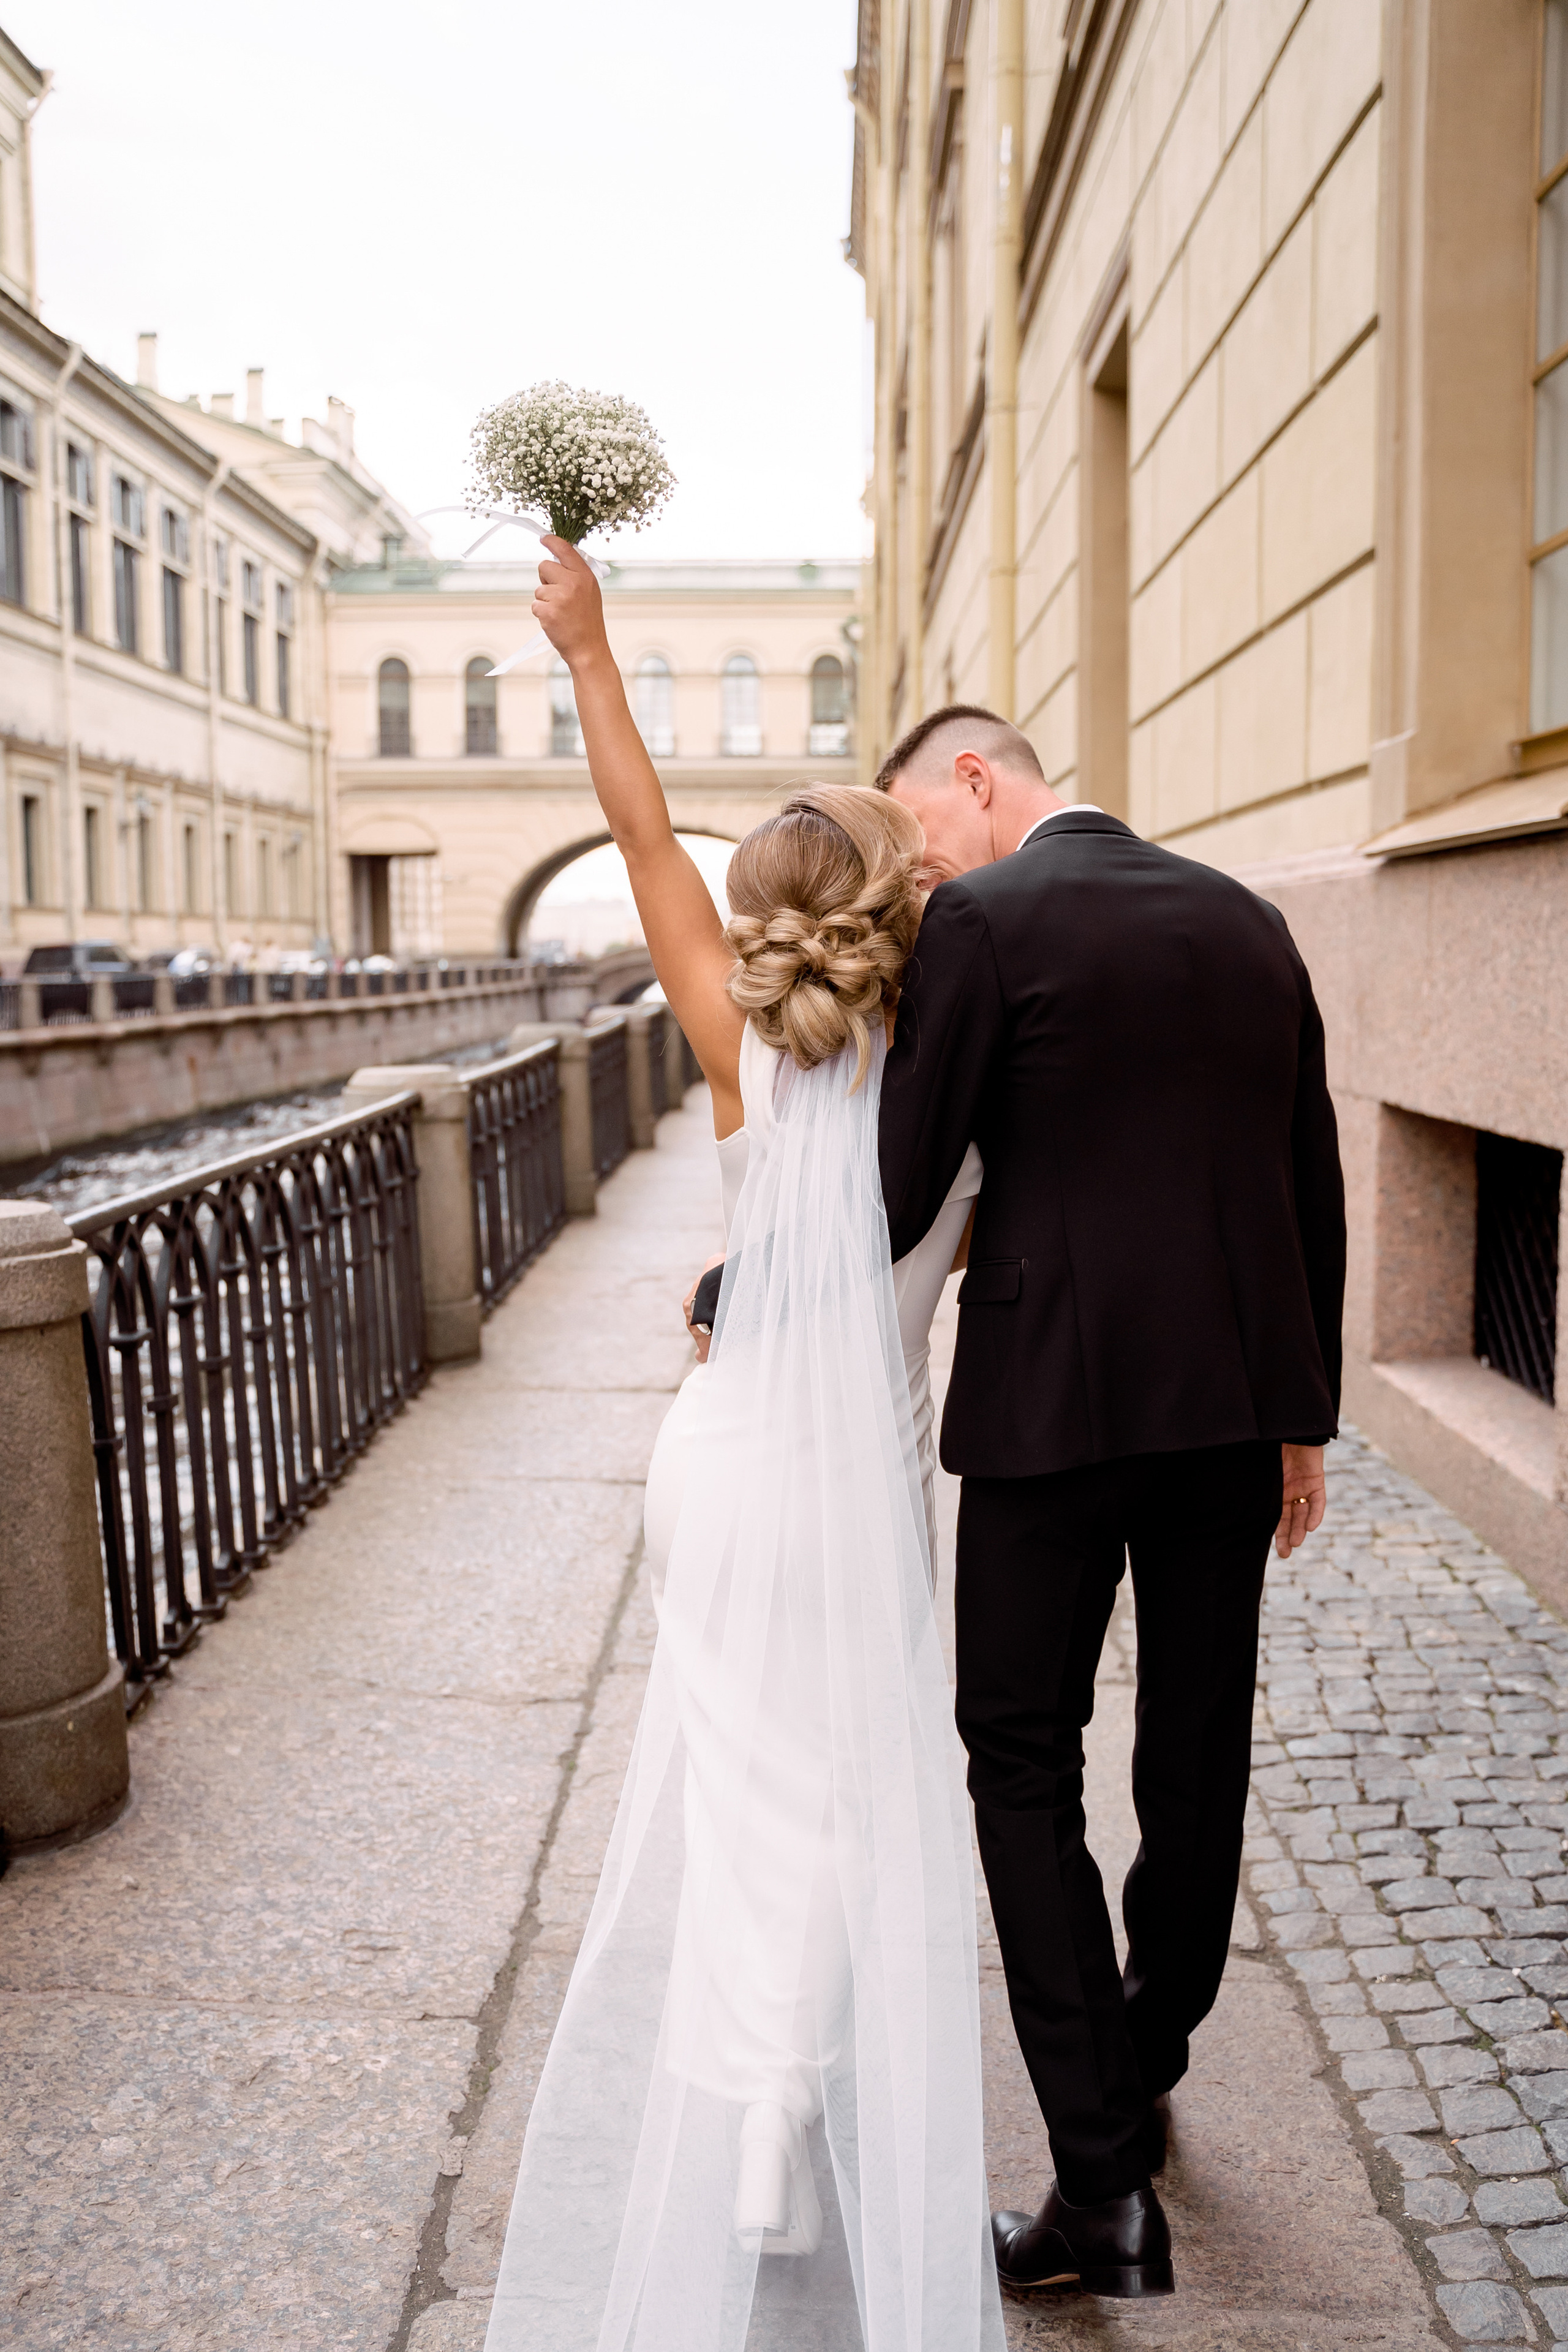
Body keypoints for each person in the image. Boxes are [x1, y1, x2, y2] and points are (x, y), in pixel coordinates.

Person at [483, 543, 1006, 2352]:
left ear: (766, 915)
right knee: (844, 1805)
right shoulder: (953, 1076)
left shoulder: (739, 1054)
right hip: (856, 1486)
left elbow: (638, 842)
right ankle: (800, 2098)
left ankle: (757, 2111)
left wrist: (595, 654)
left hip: (714, 1476)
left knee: (732, 1799)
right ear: (903, 906)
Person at [872, 705, 1346, 2295]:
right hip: (1226, 1412)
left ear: (976, 780)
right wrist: (1305, 1420)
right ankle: (1148, 2048)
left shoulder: (983, 924)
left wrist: (762, 1269)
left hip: (1049, 1412)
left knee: (1017, 1752)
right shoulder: (1249, 920)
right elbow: (1311, 1178)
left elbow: (904, 1175)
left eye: (918, 829)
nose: (916, 869)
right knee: (1198, 1742)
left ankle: (1100, 2186)